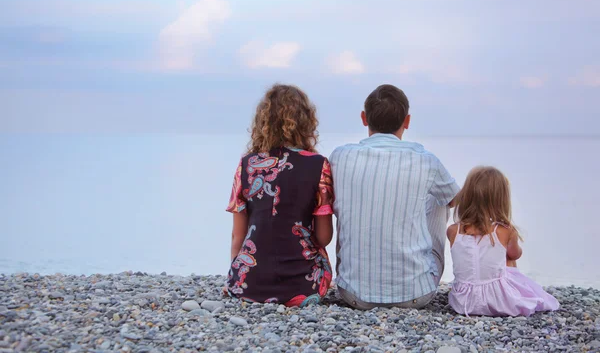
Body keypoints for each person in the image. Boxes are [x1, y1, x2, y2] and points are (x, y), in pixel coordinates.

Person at [329, 84, 460, 309]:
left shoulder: (339, 157)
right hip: (416, 295)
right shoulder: (425, 160)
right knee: (440, 199)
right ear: (407, 121)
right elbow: (456, 199)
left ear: (364, 118)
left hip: (352, 294)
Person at [225, 84, 334, 306]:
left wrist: (236, 277)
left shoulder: (247, 165)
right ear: (306, 121)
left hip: (249, 285)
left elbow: (238, 236)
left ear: (263, 123)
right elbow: (324, 238)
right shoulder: (318, 165)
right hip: (304, 286)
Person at [447, 166, 560, 316]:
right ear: (500, 200)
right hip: (497, 302)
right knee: (508, 258)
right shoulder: (505, 230)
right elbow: (515, 255)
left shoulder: (453, 230)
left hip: (463, 302)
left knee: (490, 256)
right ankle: (509, 294)